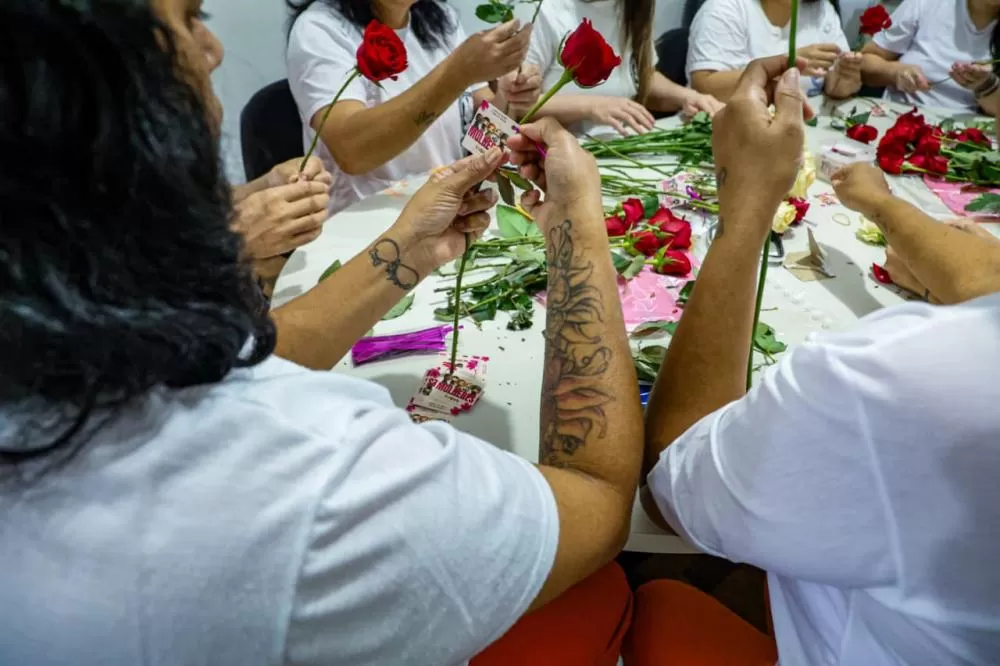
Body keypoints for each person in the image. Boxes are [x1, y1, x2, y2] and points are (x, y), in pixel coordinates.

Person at [1, 5, 645, 666]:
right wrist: (575, 225)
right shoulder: (315, 479)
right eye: (190, 18)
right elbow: (598, 505)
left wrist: (408, 250)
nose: (214, 48)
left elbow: (249, 356)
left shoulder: (59, 355)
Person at [637, 54, 1000, 664]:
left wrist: (747, 209)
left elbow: (673, 483)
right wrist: (883, 206)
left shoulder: (897, 376)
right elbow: (983, 276)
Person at [286, 0, 542, 213]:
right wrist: (456, 74)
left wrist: (509, 95)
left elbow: (485, 128)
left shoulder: (441, 19)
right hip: (364, 226)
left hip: (448, 210)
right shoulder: (321, 29)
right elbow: (352, 153)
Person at [523, 0, 723, 137]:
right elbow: (518, 105)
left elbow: (640, 75)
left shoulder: (631, 7)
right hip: (554, 153)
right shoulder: (542, 10)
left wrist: (686, 96)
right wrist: (591, 106)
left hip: (616, 145)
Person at [687, 0, 862, 102]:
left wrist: (844, 79)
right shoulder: (724, 8)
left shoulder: (822, 10)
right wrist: (786, 64)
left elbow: (835, 86)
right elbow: (705, 85)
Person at [860, 0, 1000, 115]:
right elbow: (865, 62)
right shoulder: (928, 4)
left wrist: (986, 87)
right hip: (898, 115)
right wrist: (894, 72)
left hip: (966, 133)